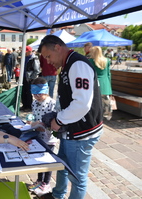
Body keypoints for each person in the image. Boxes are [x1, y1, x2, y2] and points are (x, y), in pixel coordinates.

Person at [39, 35, 103, 199]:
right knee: (63, 165)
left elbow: (82, 103)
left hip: (82, 132)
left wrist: (58, 120)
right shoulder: (69, 64)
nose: (48, 61)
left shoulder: (77, 64)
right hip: (72, 130)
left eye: (48, 56)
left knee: (77, 177)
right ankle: (57, 195)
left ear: (58, 48)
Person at [27, 77, 58, 197]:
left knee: (48, 160)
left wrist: (44, 127)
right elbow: (35, 117)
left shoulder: (52, 104)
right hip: (38, 135)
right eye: (34, 94)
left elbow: (55, 123)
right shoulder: (34, 102)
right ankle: (39, 180)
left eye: (39, 94)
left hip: (49, 138)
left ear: (46, 91)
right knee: (39, 159)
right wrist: (32, 123)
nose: (36, 97)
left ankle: (46, 183)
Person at [89, 46, 113, 120]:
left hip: (95, 84)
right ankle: (106, 115)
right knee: (105, 103)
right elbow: (109, 74)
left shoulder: (91, 61)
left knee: (95, 103)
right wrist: (110, 88)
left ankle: (96, 117)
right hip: (105, 84)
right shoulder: (107, 61)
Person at [20, 46, 40, 111]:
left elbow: (37, 70)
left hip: (29, 78)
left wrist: (32, 78)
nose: (25, 53)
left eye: (26, 52)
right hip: (23, 77)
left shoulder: (34, 58)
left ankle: (29, 107)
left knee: (28, 93)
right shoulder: (24, 57)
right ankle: (24, 105)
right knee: (23, 92)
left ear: (30, 51)